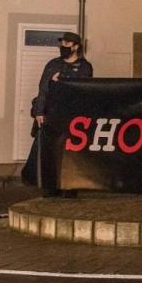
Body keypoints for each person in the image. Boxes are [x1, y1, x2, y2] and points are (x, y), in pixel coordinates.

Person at [27, 32, 93, 196]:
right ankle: (50, 187)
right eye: (62, 42)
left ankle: (69, 188)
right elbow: (43, 88)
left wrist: (61, 80)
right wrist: (39, 112)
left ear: (76, 46)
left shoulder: (85, 66)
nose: (63, 45)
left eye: (67, 43)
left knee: (71, 153)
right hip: (51, 115)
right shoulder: (53, 64)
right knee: (50, 151)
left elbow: (83, 88)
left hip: (72, 117)